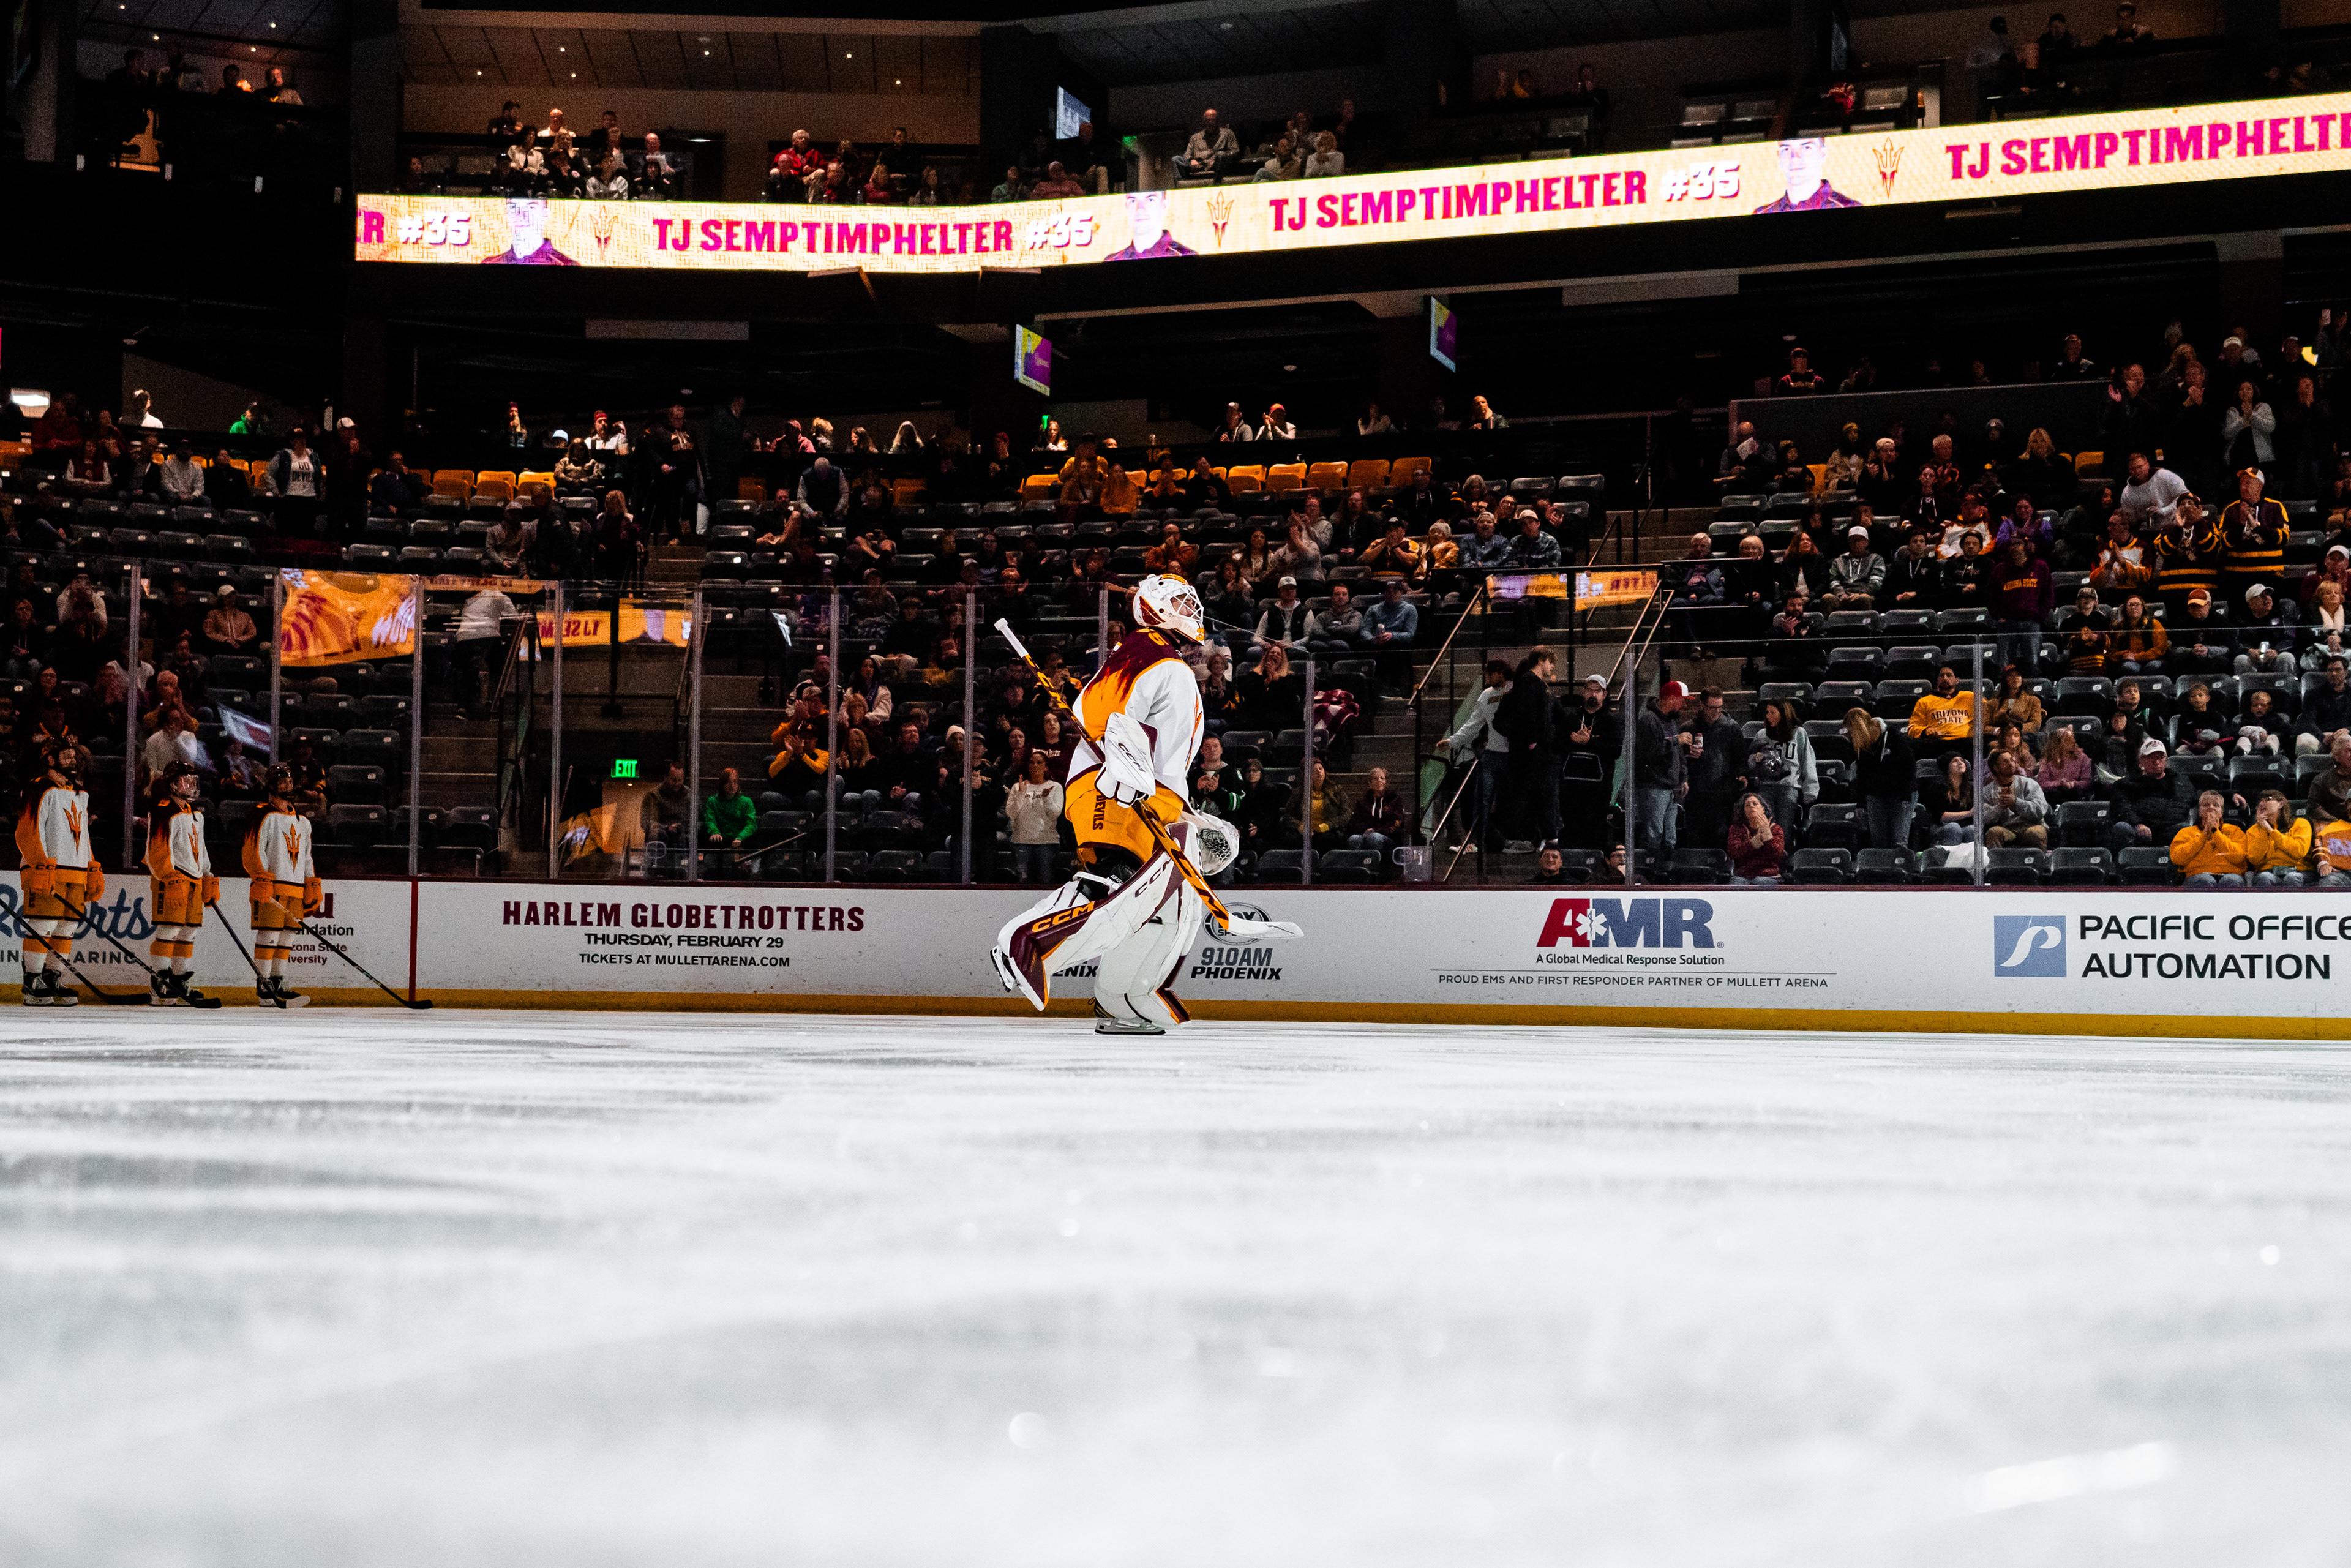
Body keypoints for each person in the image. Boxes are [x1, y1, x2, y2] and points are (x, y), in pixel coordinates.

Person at [994, 575, 1281, 1035]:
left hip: (1148, 794)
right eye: (1180, 601)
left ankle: (1127, 995)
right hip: (1114, 786)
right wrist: (1127, 766)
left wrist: (1183, 813)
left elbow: (1160, 749)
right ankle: (1027, 942)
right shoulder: (1145, 650)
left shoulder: (1168, 662)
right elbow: (1103, 712)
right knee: (1115, 884)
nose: (1192, 609)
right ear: (1155, 607)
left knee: (1169, 902)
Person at [15, 743, 101, 1007]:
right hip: (48, 870)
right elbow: (27, 830)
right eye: (66, 756)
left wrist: (91, 866)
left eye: (74, 756)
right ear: (50, 760)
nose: (73, 760)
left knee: (67, 928)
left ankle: (52, 977)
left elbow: (83, 836)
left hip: (76, 872)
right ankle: (32, 981)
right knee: (43, 925)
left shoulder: (80, 793)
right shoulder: (39, 787)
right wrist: (39, 864)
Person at [241, 765, 318, 1007]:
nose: (286, 785)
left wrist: (311, 882)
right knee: (269, 935)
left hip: (295, 888)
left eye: (289, 781)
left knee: (287, 937)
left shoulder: (303, 821)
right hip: (272, 887)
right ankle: (264, 987)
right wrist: (260, 876)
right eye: (281, 781)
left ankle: (277, 982)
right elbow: (253, 849)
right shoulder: (262, 814)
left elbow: (307, 857)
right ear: (271, 786)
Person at [143, 762, 219, 1006]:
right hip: (172, 880)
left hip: (194, 880)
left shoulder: (195, 813)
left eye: (193, 781)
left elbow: (201, 849)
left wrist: (207, 875)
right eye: (186, 781)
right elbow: (157, 850)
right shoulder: (164, 810)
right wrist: (168, 877)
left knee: (188, 932)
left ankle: (178, 981)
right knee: (169, 930)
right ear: (172, 784)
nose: (191, 785)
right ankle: (159, 983)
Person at [1632, 678, 1691, 857]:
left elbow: (1678, 754)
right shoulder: (1649, 720)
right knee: (1653, 836)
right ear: (1672, 699)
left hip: (1669, 787)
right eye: (1683, 700)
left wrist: (1683, 778)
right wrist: (1675, 740)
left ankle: (1667, 869)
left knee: (1670, 838)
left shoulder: (1671, 721)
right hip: (1653, 787)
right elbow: (1647, 753)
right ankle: (1649, 870)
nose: (1684, 705)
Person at [2107, 737, 2199, 852]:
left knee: (2184, 830)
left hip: (2167, 829)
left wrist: (2155, 825)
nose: (2156, 762)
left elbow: (2181, 807)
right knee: (2121, 828)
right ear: (2141, 761)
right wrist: (2138, 824)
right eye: (2151, 757)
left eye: (2160, 757)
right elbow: (2121, 808)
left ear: (2166, 760)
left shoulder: (2179, 781)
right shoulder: (2125, 784)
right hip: (2137, 829)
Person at [1849, 708, 1918, 849]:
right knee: (1878, 842)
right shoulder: (1862, 746)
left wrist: (1906, 795)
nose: (1851, 735)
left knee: (1898, 840)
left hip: (1900, 795)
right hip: (1876, 796)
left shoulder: (1893, 737)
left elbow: (1910, 767)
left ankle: (1899, 863)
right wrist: (1860, 803)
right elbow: (1861, 775)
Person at [2170, 790, 2248, 885]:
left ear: (2222, 811)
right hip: (2198, 875)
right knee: (2205, 881)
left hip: (2231, 874)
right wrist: (2203, 837)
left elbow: (2239, 857)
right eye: (2206, 805)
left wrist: (2216, 833)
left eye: (2216, 805)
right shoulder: (2186, 832)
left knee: (2231, 881)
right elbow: (2177, 859)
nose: (2211, 807)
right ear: (2200, 811)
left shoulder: (2235, 830)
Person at [1981, 749, 2050, 849]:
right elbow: (1984, 819)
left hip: (2030, 826)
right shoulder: (1987, 791)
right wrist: (2000, 807)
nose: (2011, 764)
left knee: (2037, 832)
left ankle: (2039, 859)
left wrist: (2016, 802)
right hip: (2007, 829)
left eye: (2012, 760)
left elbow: (2040, 810)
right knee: (1994, 832)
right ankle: (1995, 859)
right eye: (2005, 762)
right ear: (1996, 767)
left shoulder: (2029, 783)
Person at [2244, 790, 2314, 885]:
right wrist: (2263, 829)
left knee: (2292, 878)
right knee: (2264, 877)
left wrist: (2271, 831)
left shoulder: (2301, 824)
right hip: (2269, 872)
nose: (2261, 804)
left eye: (2268, 799)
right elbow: (2255, 859)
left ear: (2281, 804)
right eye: (2260, 801)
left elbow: (2299, 851)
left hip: (2299, 871)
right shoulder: (2254, 830)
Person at [700, 768, 756, 878]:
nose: (732, 786)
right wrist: (715, 832)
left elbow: (751, 824)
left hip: (741, 842)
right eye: (728, 782)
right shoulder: (713, 802)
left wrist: (740, 838)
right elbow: (710, 821)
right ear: (722, 784)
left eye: (735, 782)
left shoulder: (746, 802)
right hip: (721, 843)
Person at [1347, 767, 1406, 860]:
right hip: (1366, 834)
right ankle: (1358, 866)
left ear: (1386, 782)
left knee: (1374, 838)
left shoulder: (1395, 800)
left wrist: (1376, 831)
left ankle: (1374, 866)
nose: (1379, 781)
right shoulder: (1363, 801)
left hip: (1388, 837)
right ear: (1370, 783)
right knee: (1354, 839)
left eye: (1382, 778)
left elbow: (1397, 822)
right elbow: (1355, 822)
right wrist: (1366, 830)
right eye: (1375, 778)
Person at [1727, 793, 1787, 885]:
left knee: (1761, 881)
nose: (1751, 806)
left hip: (1769, 876)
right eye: (1747, 805)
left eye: (1755, 804)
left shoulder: (1776, 829)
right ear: (1744, 811)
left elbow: (1778, 855)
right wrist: (1755, 842)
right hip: (1743, 876)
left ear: (1763, 809)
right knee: (1738, 883)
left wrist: (1768, 838)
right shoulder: (1736, 829)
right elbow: (1734, 852)